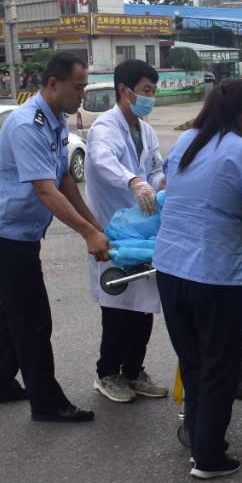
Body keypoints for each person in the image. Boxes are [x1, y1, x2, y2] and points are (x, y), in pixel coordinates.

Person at [154, 79, 242, 479]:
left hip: (171, 268)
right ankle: (209, 457)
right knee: (220, 365)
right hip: (214, 274)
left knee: (193, 360)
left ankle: (198, 437)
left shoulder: (186, 141)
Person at [0, 52, 107, 424]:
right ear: (53, 84)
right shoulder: (26, 125)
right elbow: (46, 191)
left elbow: (65, 178)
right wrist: (88, 234)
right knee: (32, 319)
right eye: (78, 86)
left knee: (11, 309)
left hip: (21, 233)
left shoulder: (56, 121)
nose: (83, 93)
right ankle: (47, 403)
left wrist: (94, 223)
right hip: (2, 234)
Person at [85, 59, 169, 404]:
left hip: (144, 230)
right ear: (125, 91)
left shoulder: (145, 130)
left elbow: (156, 168)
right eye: (146, 91)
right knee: (118, 306)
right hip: (114, 229)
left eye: (153, 91)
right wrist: (133, 181)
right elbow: (104, 161)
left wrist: (159, 184)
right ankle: (107, 374)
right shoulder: (104, 128)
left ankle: (134, 372)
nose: (150, 98)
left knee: (144, 306)